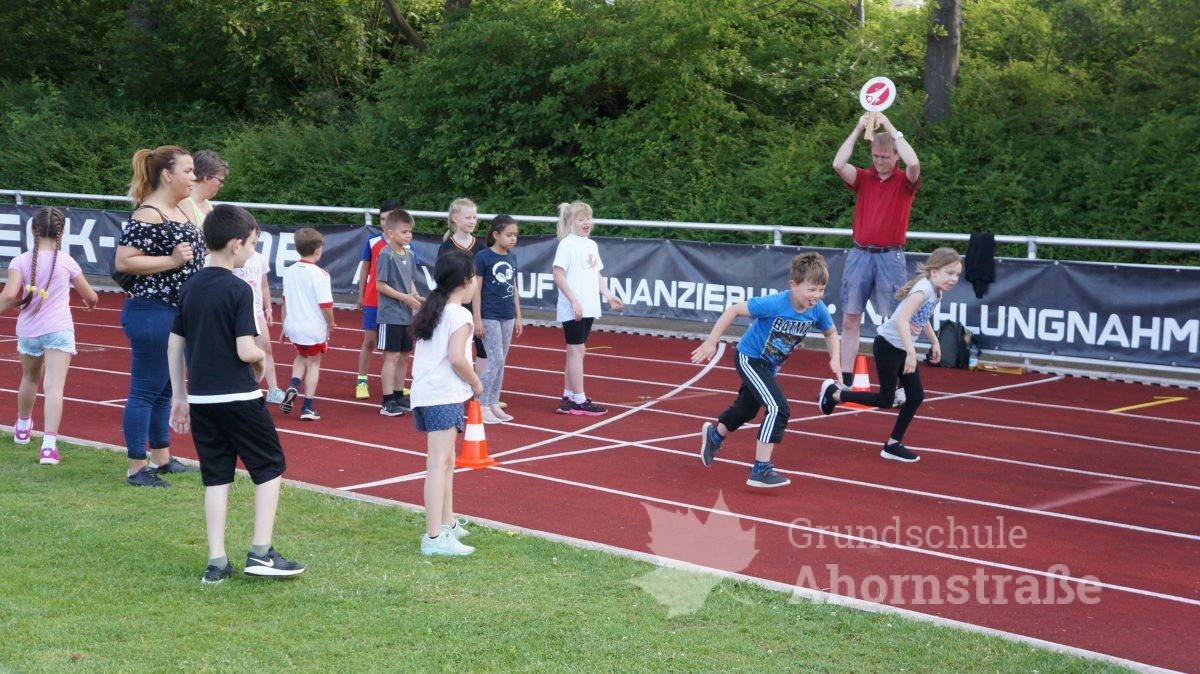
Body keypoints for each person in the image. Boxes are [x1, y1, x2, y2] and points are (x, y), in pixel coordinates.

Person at [167, 204, 305, 584]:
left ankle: (216, 562)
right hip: (239, 398)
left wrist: (180, 396)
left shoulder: (190, 286)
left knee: (215, 476)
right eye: (252, 244)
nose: (252, 252)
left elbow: (175, 344)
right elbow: (246, 349)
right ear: (234, 244)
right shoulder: (239, 288)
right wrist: (260, 360)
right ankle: (261, 552)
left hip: (202, 399)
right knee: (269, 466)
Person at [691, 252, 841, 488]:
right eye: (811, 289)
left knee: (746, 409)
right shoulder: (774, 303)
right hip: (750, 358)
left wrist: (835, 358)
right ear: (794, 285)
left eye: (821, 290)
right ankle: (761, 469)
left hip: (770, 366)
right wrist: (711, 342)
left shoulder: (818, 310)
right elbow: (733, 310)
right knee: (778, 408)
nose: (817, 295)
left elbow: (831, 332)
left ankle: (715, 435)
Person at [818, 247, 962, 463]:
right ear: (934, 272)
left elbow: (921, 318)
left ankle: (893, 444)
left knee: (915, 396)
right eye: (949, 273)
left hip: (901, 347)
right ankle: (835, 394)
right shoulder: (923, 290)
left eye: (957, 275)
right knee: (886, 399)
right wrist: (911, 352)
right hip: (888, 346)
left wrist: (934, 342)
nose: (954, 279)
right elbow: (902, 319)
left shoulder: (936, 291)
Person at [115, 144, 205, 487]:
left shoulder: (182, 208)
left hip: (176, 313)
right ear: (167, 175)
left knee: (166, 388)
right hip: (153, 312)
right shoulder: (148, 214)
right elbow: (124, 261)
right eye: (188, 171)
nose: (194, 177)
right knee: (145, 389)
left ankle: (162, 458)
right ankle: (137, 467)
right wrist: (172, 260)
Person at [0, 208, 99, 464]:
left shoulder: (20, 261)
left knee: (29, 377)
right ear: (62, 232)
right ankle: (48, 446)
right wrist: (90, 303)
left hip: (29, 330)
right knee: (54, 387)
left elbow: (9, 295)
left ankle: (23, 427)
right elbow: (90, 295)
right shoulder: (67, 261)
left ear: (33, 230)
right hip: (59, 329)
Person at [832, 111, 921, 389]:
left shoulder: (904, 182)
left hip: (890, 256)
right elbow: (838, 163)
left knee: (896, 320)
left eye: (885, 157)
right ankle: (846, 379)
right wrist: (858, 129)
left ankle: (898, 382)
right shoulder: (864, 178)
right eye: (875, 156)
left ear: (895, 156)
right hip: (860, 254)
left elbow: (914, 162)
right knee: (850, 318)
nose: (879, 161)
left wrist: (890, 126)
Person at [410, 251, 482, 556]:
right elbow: (457, 359)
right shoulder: (459, 315)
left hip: (428, 393)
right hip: (443, 395)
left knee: (446, 462)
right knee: (438, 464)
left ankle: (447, 522)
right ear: (466, 282)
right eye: (474, 277)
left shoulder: (435, 309)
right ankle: (433, 537)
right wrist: (476, 383)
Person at [552, 201, 624, 416]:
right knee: (577, 351)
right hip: (574, 307)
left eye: (588, 218)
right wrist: (574, 300)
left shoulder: (591, 244)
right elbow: (558, 274)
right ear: (570, 221)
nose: (586, 223)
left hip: (589, 306)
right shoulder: (567, 245)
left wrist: (609, 295)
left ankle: (568, 395)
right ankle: (579, 399)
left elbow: (596, 273)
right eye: (581, 219)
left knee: (575, 351)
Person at [280, 227, 334, 421]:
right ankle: (307, 407)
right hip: (313, 328)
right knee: (314, 363)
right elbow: (325, 305)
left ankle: (294, 385)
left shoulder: (289, 271)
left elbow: (285, 301)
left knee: (300, 356)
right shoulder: (321, 275)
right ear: (318, 250)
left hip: (293, 325)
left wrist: (283, 325)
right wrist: (331, 324)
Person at [472, 215, 522, 424]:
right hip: (489, 315)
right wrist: (477, 318)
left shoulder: (512, 257)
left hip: (507, 315)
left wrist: (518, 316)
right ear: (496, 235)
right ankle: (480, 403)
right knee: (495, 359)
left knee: (502, 361)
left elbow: (514, 288)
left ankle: (493, 402)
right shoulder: (483, 257)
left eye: (515, 235)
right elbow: (476, 289)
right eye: (509, 235)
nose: (513, 239)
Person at [374, 209, 422, 417]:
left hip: (406, 315)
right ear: (390, 232)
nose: (408, 235)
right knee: (391, 356)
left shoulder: (409, 254)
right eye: (404, 232)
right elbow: (380, 285)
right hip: (390, 314)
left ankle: (398, 394)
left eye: (410, 231)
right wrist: (404, 298)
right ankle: (387, 401)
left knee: (403, 356)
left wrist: (416, 297)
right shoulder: (386, 254)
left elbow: (410, 281)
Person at [354, 200, 401, 400]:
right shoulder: (372, 241)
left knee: (391, 346)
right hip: (374, 299)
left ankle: (391, 385)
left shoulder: (407, 243)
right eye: (382, 219)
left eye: (389, 219)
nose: (384, 223)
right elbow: (365, 268)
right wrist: (361, 294)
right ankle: (361, 380)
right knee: (370, 341)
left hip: (396, 302)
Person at [437, 197, 489, 380]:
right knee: (454, 346)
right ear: (455, 218)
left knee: (483, 347)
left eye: (474, 217)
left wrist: (477, 315)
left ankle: (479, 389)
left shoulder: (481, 247)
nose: (472, 221)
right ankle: (454, 383)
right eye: (468, 217)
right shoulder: (446, 247)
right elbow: (441, 278)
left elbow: (482, 281)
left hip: (477, 305)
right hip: (454, 305)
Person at [232, 232, 284, 404]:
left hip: (257, 312)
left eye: (256, 240)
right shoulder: (234, 258)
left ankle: (273, 390)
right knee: (240, 352)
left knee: (266, 349)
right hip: (237, 313)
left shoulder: (260, 259)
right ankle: (242, 388)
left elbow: (264, 286)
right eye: (252, 240)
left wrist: (268, 308)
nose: (254, 244)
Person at [183, 150, 229, 227]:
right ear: (206, 178)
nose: (222, 185)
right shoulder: (184, 204)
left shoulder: (207, 203)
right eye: (221, 181)